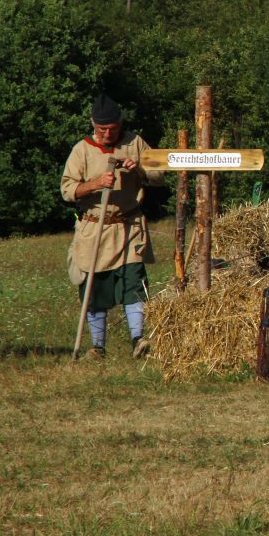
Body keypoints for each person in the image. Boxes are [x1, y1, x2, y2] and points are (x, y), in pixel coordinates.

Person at [59, 93, 163, 358]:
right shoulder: (82, 150)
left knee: (133, 282)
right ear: (93, 124)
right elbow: (67, 190)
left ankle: (138, 340)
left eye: (113, 129)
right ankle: (97, 347)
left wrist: (137, 169)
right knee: (95, 288)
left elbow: (158, 175)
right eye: (102, 129)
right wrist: (95, 184)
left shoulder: (134, 142)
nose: (108, 134)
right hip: (95, 229)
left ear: (120, 124)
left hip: (129, 227)